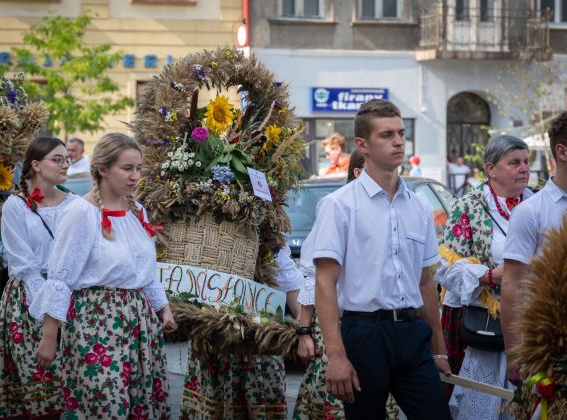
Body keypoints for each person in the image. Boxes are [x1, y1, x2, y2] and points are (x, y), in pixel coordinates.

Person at [312, 99, 451, 419]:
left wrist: (438, 349)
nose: (399, 141)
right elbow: (325, 281)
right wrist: (335, 356)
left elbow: (425, 281)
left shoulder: (418, 207)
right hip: (364, 334)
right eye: (386, 135)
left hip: (412, 335)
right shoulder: (340, 206)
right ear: (363, 145)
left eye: (401, 133)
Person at [31, 133, 176, 418]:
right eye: (127, 168)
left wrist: (164, 309)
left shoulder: (138, 211)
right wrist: (50, 335)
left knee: (140, 405)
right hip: (95, 324)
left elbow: (145, 272)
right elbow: (61, 277)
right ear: (103, 169)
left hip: (139, 325)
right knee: (105, 406)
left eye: (138, 168)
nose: (135, 176)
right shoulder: (81, 213)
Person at [436, 135, 531, 418]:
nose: (524, 168)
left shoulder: (539, 201)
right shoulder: (468, 207)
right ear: (491, 169)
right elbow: (443, 267)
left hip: (532, 324)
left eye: (526, 161)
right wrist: (489, 276)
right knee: (483, 406)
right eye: (514, 162)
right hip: (486, 329)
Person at [0, 137, 78, 419]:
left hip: (70, 298)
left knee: (70, 383)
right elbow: (23, 263)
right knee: (35, 385)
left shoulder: (76, 205)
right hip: (28, 300)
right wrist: (46, 311)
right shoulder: (16, 206)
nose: (65, 164)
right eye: (58, 159)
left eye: (67, 159)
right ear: (36, 165)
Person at [180, 245, 302, 419]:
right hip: (214, 336)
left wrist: (304, 324)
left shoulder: (266, 233)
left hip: (257, 339)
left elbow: (285, 274)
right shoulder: (207, 233)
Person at [502, 111, 567, 383]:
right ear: (562, 151)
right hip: (551, 348)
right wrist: (516, 352)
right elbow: (513, 285)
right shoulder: (531, 212)